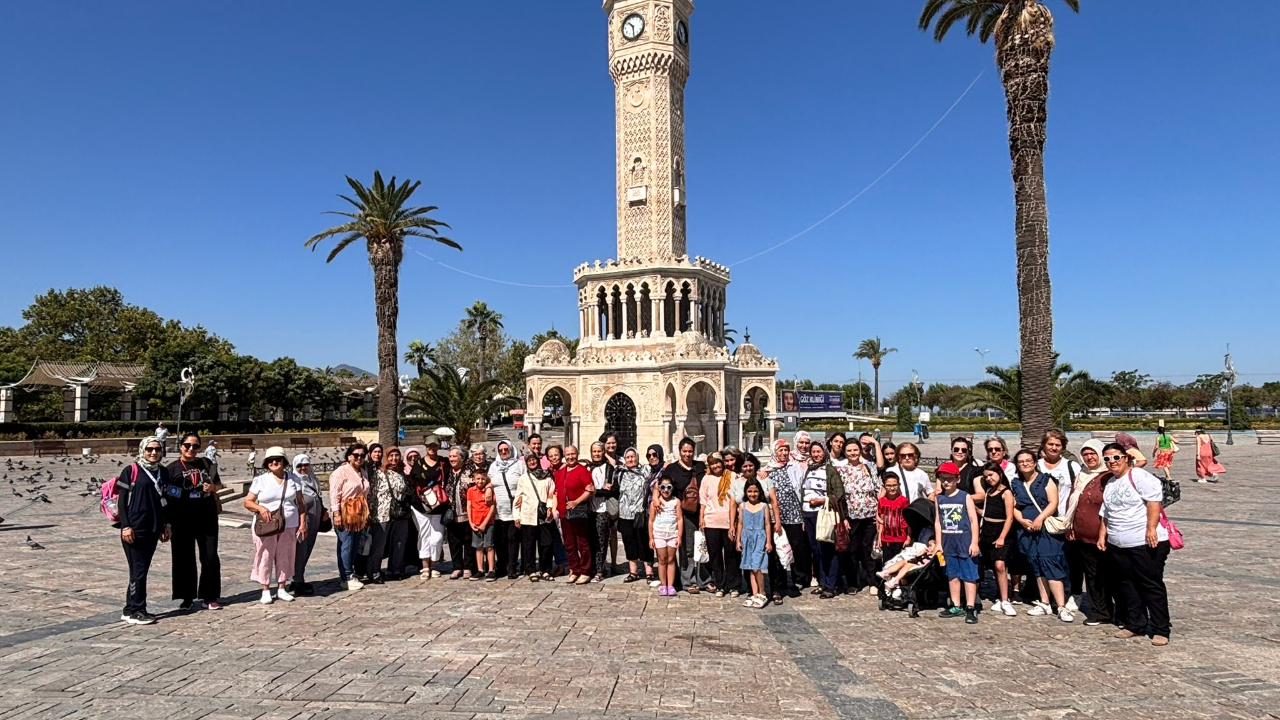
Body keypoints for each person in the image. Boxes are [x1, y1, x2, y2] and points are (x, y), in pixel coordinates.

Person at [1099, 443, 1173, 646]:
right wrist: (1102, 535)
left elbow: (1154, 502)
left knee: (1150, 584)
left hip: (1143, 541)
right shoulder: (1111, 483)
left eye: (1116, 457)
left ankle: (1161, 628)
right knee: (1127, 585)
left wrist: (1151, 528)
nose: (1112, 462)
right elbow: (1106, 513)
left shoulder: (1139, 476)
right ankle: (1135, 624)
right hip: (1118, 542)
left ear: (1126, 457)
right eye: (1107, 459)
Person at [1011, 449, 1073, 622]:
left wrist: (1040, 518)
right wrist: (1023, 521)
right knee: (1037, 565)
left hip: (1045, 529)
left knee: (1050, 563)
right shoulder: (1016, 483)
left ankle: (1060, 605)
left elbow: (1054, 502)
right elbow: (1014, 506)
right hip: (1027, 531)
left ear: (1034, 461)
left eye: (1028, 460)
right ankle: (1045, 602)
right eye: (1021, 461)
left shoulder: (1046, 480)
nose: (1025, 463)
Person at [165, 432, 223, 611]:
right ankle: (186, 596)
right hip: (182, 517)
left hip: (206, 515)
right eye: (187, 445)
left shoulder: (206, 463)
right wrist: (166, 522)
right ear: (180, 446)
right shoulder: (171, 469)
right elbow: (165, 495)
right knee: (184, 557)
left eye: (195, 446)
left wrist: (212, 487)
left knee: (210, 556)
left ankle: (209, 595)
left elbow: (218, 484)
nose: (191, 449)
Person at [115, 437, 171, 625]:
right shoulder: (131, 470)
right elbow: (121, 502)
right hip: (134, 527)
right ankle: (138, 609)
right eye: (149, 449)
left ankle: (130, 608)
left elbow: (165, 500)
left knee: (141, 569)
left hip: (153, 527)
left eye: (157, 449)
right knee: (138, 570)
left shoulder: (163, 472)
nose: (153, 453)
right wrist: (126, 526)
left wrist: (166, 524)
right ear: (142, 450)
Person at [244, 447, 306, 604]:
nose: (274, 462)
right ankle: (265, 589)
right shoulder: (261, 480)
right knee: (265, 554)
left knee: (286, 554)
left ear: (284, 462)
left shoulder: (293, 479)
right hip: (266, 525)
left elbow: (301, 503)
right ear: (266, 463)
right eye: (270, 460)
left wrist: (302, 523)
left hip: (289, 524)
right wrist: (260, 508)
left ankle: (281, 587)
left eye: (277, 459)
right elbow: (248, 501)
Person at [1065, 440, 1112, 627]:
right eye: (1085, 454)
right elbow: (1072, 502)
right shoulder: (1081, 475)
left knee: (1109, 575)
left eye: (1093, 453)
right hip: (1083, 535)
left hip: (1104, 535)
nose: (1089, 457)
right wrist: (1070, 527)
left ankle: (1120, 611)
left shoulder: (1108, 476)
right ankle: (1100, 612)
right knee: (1092, 576)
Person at [1037, 429, 1082, 611]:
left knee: (1072, 559)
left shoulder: (1071, 467)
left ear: (1063, 447)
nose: (1054, 448)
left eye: (1057, 445)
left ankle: (1075, 593)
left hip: (1066, 519)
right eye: (1050, 444)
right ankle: (1048, 596)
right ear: (1044, 446)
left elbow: (1079, 492)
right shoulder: (1036, 465)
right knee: (1046, 559)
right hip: (1043, 520)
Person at [657, 438, 707, 594]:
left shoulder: (700, 466)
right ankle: (688, 580)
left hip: (702, 510)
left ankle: (705, 579)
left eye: (690, 451)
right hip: (683, 512)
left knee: (704, 546)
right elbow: (660, 484)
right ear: (679, 451)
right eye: (685, 451)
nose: (687, 454)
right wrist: (655, 497)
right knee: (688, 547)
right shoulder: (672, 469)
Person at [934, 462, 981, 624]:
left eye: (950, 479)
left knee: (969, 576)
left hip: (965, 542)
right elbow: (938, 521)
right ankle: (955, 604)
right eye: (943, 479)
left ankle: (970, 606)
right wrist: (939, 543)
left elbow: (974, 520)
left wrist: (974, 542)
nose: (946, 482)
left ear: (957, 479)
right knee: (952, 575)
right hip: (948, 543)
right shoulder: (939, 498)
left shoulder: (965, 496)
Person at [833, 440, 882, 595]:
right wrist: (844, 518)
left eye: (855, 450)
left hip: (870, 515)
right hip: (852, 516)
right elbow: (839, 496)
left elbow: (878, 490)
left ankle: (872, 581)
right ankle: (853, 582)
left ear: (860, 451)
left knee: (869, 549)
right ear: (845, 453)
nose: (853, 453)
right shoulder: (841, 470)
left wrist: (879, 515)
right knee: (852, 550)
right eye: (849, 451)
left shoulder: (869, 467)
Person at [765, 439, 810, 600]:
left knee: (796, 547)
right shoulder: (768, 470)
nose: (783, 454)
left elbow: (802, 488)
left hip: (794, 515)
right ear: (774, 452)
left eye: (785, 450)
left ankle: (797, 579)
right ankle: (778, 583)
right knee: (777, 551)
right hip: (776, 517)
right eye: (780, 450)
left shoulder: (794, 467)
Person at [977, 461, 1017, 617]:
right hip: (987, 530)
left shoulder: (1006, 492)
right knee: (991, 566)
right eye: (986, 476)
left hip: (1001, 531)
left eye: (991, 475)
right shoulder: (988, 492)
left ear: (999, 474)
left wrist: (1002, 537)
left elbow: (1009, 517)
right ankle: (999, 596)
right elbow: (986, 512)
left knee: (1000, 565)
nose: (989, 479)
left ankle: (1005, 599)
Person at [699, 452, 741, 597]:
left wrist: (734, 523)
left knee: (731, 555)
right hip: (711, 521)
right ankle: (720, 585)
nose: (715, 466)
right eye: (712, 463)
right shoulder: (706, 478)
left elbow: (735, 500)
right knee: (715, 555)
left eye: (717, 462)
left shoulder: (732, 476)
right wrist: (701, 518)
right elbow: (703, 501)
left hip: (728, 521)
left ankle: (734, 585)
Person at [330, 443, 370, 590]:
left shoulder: (362, 472)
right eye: (356, 455)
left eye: (362, 455)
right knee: (345, 545)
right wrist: (336, 513)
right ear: (349, 456)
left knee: (355, 545)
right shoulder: (341, 472)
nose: (359, 458)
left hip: (358, 513)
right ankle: (345, 576)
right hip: (345, 511)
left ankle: (351, 572)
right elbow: (335, 493)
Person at [367, 447, 411, 583]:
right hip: (382, 513)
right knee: (379, 545)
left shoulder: (401, 473)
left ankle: (395, 569)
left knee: (399, 542)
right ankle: (374, 571)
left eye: (396, 455)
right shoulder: (379, 473)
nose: (394, 459)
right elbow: (372, 495)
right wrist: (370, 513)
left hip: (400, 513)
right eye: (391, 456)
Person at [802, 442, 838, 599]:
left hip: (823, 513)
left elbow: (838, 494)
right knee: (816, 550)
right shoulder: (809, 469)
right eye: (813, 452)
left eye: (819, 452)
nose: (816, 454)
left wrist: (821, 501)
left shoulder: (830, 470)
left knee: (828, 549)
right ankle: (822, 582)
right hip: (808, 513)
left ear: (824, 452)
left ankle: (831, 585)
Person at [556, 445, 595, 584]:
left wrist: (576, 502)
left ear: (577, 455)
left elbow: (589, 489)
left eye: (573, 454)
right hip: (564, 513)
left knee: (582, 542)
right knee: (569, 543)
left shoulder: (582, 470)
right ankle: (575, 569)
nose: (570, 457)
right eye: (568, 454)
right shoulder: (561, 472)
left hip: (578, 512)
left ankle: (586, 570)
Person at [514, 452, 556, 581]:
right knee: (528, 545)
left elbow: (551, 493)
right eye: (529, 460)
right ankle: (530, 570)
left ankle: (546, 570)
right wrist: (517, 516)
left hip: (543, 515)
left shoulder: (547, 477)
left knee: (546, 544)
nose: (532, 462)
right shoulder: (523, 478)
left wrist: (550, 507)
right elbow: (518, 497)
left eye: (534, 460)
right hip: (528, 515)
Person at [408, 438, 446, 580]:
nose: (432, 448)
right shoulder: (418, 464)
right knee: (424, 535)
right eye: (429, 446)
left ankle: (434, 564)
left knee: (437, 537)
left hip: (439, 506)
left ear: (438, 447)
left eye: (434, 446)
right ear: (425, 447)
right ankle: (425, 566)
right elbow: (411, 482)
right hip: (420, 506)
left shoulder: (443, 463)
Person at [289, 454, 326, 596]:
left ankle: (297, 577)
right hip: (302, 522)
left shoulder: (312, 479)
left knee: (307, 549)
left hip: (314, 521)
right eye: (299, 466)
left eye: (306, 465)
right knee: (300, 551)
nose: (303, 468)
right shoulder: (294, 482)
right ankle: (298, 580)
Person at [615, 448, 654, 583]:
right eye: (628, 457)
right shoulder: (620, 473)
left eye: (633, 457)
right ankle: (633, 572)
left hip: (641, 513)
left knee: (644, 542)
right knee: (629, 542)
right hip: (625, 514)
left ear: (637, 458)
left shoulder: (645, 471)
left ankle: (649, 572)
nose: (631, 459)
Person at [488, 440, 523, 579]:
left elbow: (524, 482)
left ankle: (512, 567)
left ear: (511, 449)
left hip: (514, 509)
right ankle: (501, 565)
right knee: (500, 540)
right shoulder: (493, 466)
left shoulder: (519, 465)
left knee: (513, 538)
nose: (503, 452)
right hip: (498, 510)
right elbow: (489, 482)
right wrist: (489, 489)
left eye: (506, 449)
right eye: (501, 450)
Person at [736, 478, 773, 608]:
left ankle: (762, 592)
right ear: (746, 492)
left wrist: (769, 542)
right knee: (751, 567)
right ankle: (754, 592)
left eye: (755, 491)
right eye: (750, 491)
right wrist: (738, 540)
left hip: (759, 537)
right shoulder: (743, 506)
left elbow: (767, 524)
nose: (753, 494)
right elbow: (740, 523)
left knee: (757, 567)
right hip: (747, 537)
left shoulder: (764, 506)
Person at [444, 447, 476, 579]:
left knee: (468, 541)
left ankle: (468, 566)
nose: (452, 459)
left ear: (462, 458)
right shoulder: (447, 472)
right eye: (450, 456)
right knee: (454, 541)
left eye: (455, 456)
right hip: (451, 513)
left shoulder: (470, 472)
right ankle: (457, 567)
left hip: (467, 513)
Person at [649, 477, 683, 597]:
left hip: (672, 534)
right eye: (662, 487)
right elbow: (651, 521)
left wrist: (679, 536)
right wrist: (651, 538)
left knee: (671, 559)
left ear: (672, 488)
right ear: (659, 488)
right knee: (662, 560)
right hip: (659, 534)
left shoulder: (676, 501)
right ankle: (663, 585)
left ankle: (670, 585)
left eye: (669, 487)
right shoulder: (655, 502)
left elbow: (679, 519)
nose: (666, 490)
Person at [587, 441, 616, 582]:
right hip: (589, 509)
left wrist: (597, 491)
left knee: (601, 540)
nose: (597, 454)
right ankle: (592, 567)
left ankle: (600, 569)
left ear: (603, 452)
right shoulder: (588, 468)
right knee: (590, 539)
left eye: (599, 451)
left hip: (603, 509)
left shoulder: (609, 468)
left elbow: (611, 490)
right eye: (594, 452)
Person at [467, 467, 498, 581]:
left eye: (482, 479)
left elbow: (492, 507)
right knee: (478, 547)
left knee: (489, 547)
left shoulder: (489, 491)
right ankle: (480, 570)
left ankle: (491, 570)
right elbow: (469, 506)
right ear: (474, 479)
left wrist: (485, 523)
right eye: (478, 479)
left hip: (487, 522)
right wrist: (470, 522)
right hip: (475, 522)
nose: (480, 481)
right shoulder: (471, 491)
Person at [876, 471, 910, 566]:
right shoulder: (882, 501)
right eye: (889, 485)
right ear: (884, 486)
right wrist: (879, 538)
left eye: (895, 485)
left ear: (899, 485)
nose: (892, 488)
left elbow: (908, 521)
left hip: (900, 538)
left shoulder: (904, 501)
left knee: (899, 563)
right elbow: (882, 521)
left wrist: (908, 537)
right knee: (887, 564)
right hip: (886, 539)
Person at [948, 437, 986, 503]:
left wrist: (956, 498)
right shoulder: (944, 469)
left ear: (968, 452)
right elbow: (938, 490)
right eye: (956, 449)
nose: (960, 452)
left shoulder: (975, 471)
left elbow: (981, 495)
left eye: (964, 450)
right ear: (951, 450)